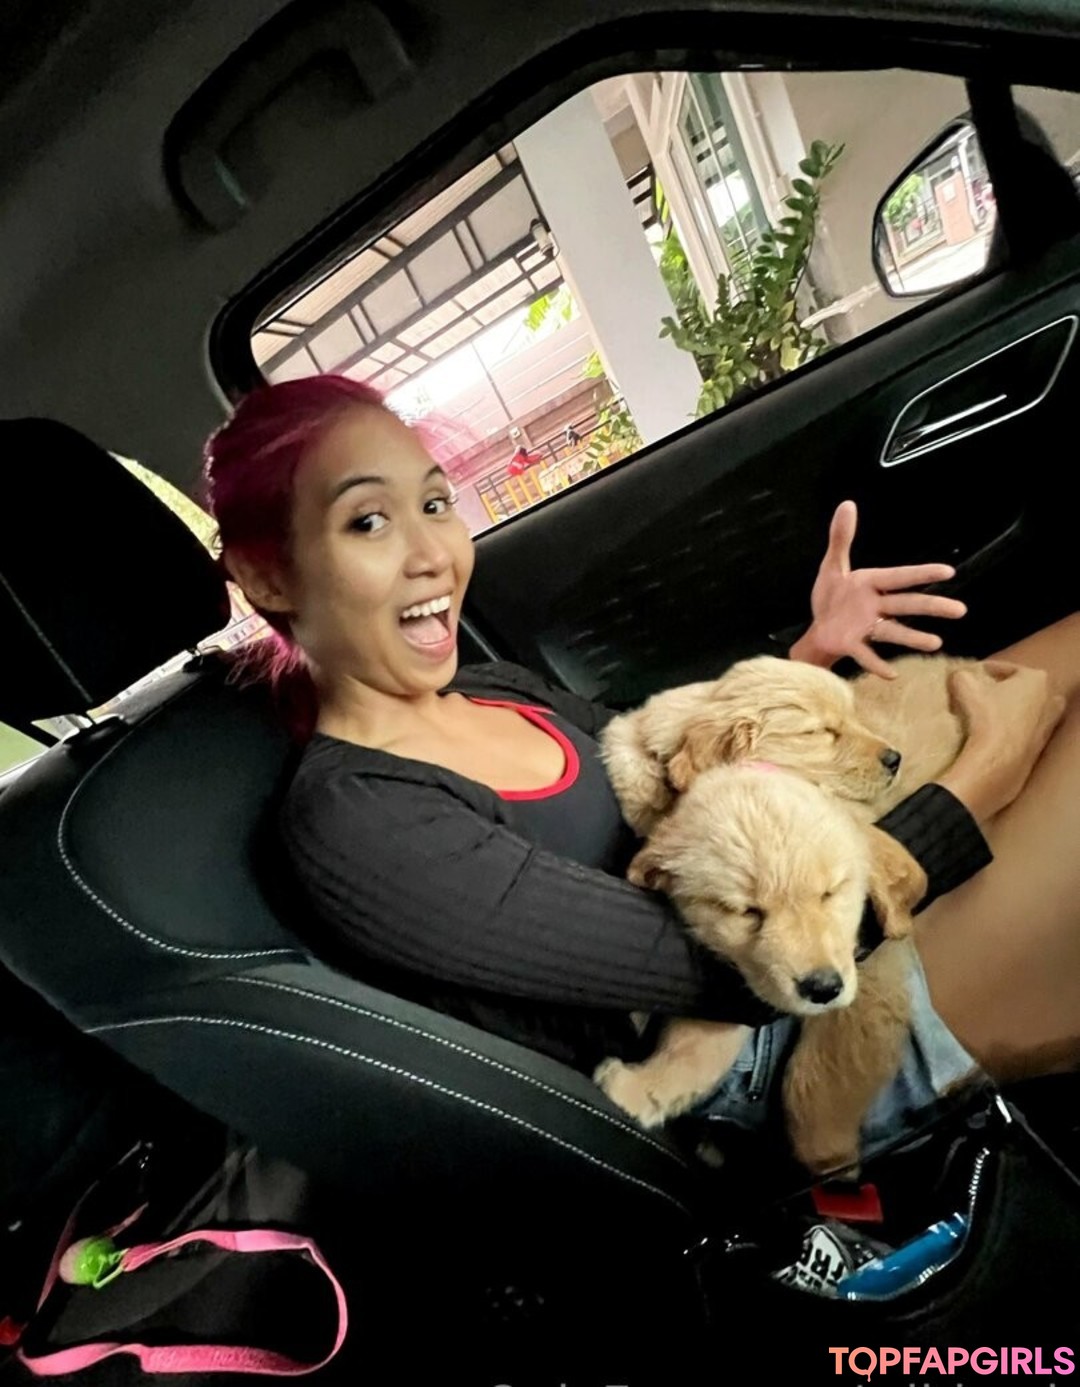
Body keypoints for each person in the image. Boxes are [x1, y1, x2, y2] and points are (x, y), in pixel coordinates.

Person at [202, 374, 1079, 1163]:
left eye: (435, 503)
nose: (433, 552)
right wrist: (978, 782)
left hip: (824, 891)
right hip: (790, 1040)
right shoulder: (359, 820)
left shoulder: (490, 690)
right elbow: (740, 967)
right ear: (267, 577)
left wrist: (805, 667)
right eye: (368, 521)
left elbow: (676, 771)